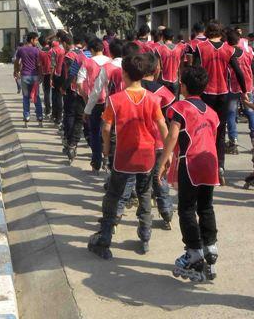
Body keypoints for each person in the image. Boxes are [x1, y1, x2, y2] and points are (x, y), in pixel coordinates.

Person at [87, 54, 168, 259]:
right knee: (144, 194)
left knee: (113, 197)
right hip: (147, 156)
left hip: (123, 156)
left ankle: (104, 240)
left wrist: (106, 149)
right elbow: (163, 127)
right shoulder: (152, 99)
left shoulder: (115, 100)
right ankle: (145, 236)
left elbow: (106, 128)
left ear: (124, 74)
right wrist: (168, 154)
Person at [158, 65, 221, 282]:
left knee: (186, 208)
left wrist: (164, 159)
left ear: (183, 86)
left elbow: (173, 135)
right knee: (206, 206)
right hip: (210, 162)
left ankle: (194, 250)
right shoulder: (211, 112)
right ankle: (211, 246)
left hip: (191, 162)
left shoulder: (180, 108)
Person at [191, 19, 249, 185]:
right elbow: (238, 72)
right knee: (220, 130)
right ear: (221, 32)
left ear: (208, 32)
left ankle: (203, 164)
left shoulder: (200, 48)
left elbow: (195, 71)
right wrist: (244, 90)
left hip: (205, 94)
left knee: (203, 129)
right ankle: (219, 167)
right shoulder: (229, 50)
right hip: (223, 93)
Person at [141, 53, 177, 229]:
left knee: (138, 183)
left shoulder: (132, 90)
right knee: (160, 178)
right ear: (156, 70)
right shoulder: (164, 93)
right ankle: (167, 213)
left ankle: (119, 216)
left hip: (137, 142)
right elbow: (172, 120)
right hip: (159, 142)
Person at [74, 37, 110, 169]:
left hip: (93, 101)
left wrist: (85, 98)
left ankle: (96, 160)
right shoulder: (110, 62)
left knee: (94, 131)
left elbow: (79, 83)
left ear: (93, 50)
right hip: (109, 102)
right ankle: (107, 157)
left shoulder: (88, 62)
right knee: (107, 131)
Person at [224, 27, 253, 155]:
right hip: (248, 85)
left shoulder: (227, 53)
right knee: (251, 112)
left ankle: (233, 141)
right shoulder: (248, 52)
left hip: (233, 87)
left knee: (231, 113)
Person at [14, 32, 44, 127]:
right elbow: (39, 64)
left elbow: (17, 61)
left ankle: (26, 117)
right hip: (34, 76)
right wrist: (40, 75)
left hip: (24, 76)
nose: (37, 41)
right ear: (31, 40)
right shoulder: (36, 50)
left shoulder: (20, 50)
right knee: (36, 97)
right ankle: (39, 117)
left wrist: (16, 71)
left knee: (26, 97)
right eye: (36, 39)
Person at [152, 28, 185, 97]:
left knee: (163, 103)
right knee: (175, 102)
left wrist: (154, 81)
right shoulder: (180, 49)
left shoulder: (159, 49)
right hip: (175, 80)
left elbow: (158, 68)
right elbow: (181, 66)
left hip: (163, 80)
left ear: (163, 37)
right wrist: (180, 79)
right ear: (173, 37)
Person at [38, 36, 53, 118]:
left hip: (45, 73)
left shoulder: (40, 52)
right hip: (53, 73)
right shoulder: (52, 50)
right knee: (55, 92)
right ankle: (54, 110)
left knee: (46, 92)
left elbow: (39, 65)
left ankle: (48, 109)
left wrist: (40, 75)